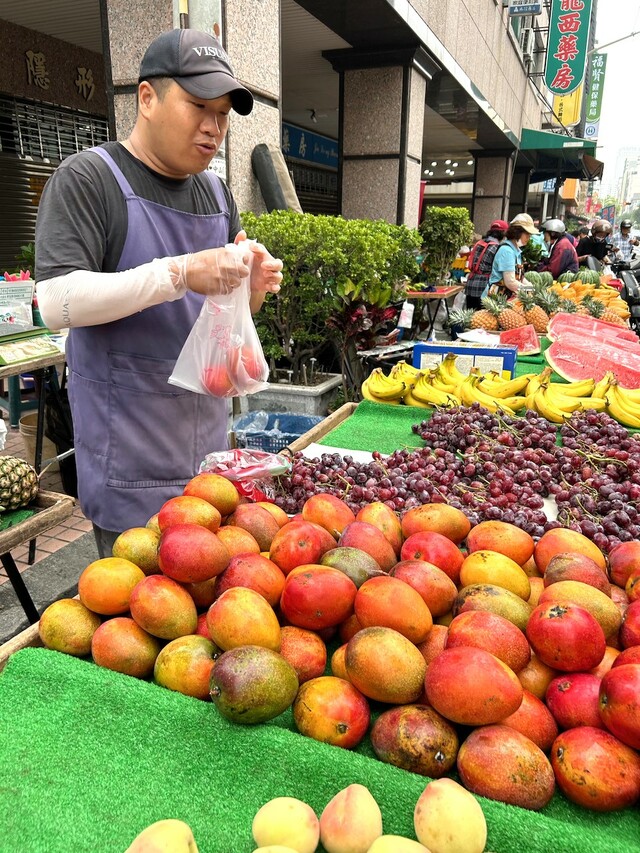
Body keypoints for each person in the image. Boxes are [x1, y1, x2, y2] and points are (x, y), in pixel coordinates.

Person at [35, 28, 283, 558]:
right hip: (129, 465)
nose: (214, 127)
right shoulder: (89, 180)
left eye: (223, 114)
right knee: (138, 602)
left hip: (207, 465)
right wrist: (180, 272)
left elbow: (229, 318)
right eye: (199, 106)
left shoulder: (216, 192)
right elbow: (56, 302)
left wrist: (252, 287)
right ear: (147, 98)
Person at [483, 214, 538, 299]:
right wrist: (528, 289)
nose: (529, 237)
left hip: (507, 298)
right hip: (497, 299)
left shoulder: (515, 251)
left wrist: (531, 287)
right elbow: (510, 282)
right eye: (527, 234)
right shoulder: (507, 251)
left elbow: (519, 277)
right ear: (517, 233)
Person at [464, 219, 508, 309]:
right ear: (503, 234)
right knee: (482, 316)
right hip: (483, 288)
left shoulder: (478, 244)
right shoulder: (496, 248)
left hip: (470, 285)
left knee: (470, 315)